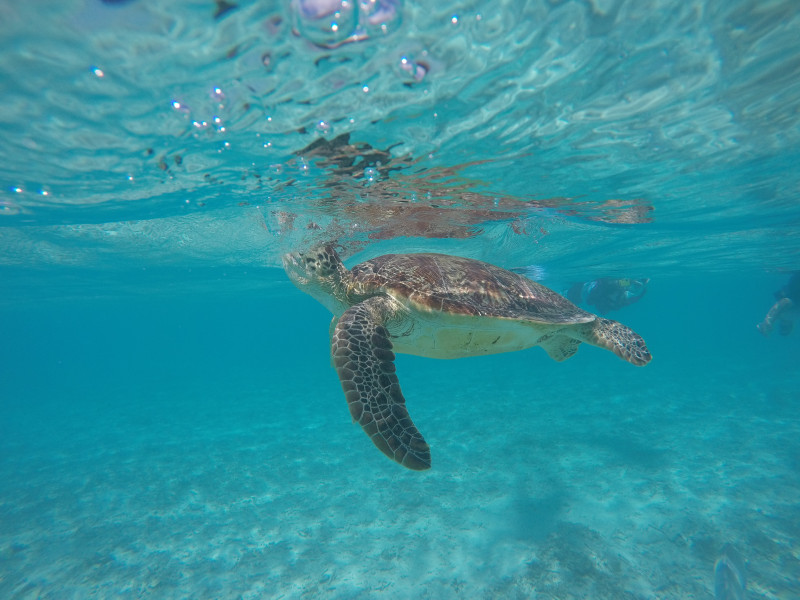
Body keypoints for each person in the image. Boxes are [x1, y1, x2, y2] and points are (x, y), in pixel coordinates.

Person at [566, 277, 649, 315]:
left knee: (564, 296)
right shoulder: (620, 298)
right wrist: (634, 282)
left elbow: (612, 282)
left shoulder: (617, 294)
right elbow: (613, 282)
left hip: (579, 292)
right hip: (582, 290)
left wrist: (631, 282)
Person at [757, 272, 800, 336]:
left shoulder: (783, 315)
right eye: (785, 327)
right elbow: (786, 302)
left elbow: (786, 302)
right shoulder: (791, 316)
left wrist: (768, 321)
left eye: (782, 327)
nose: (783, 325)